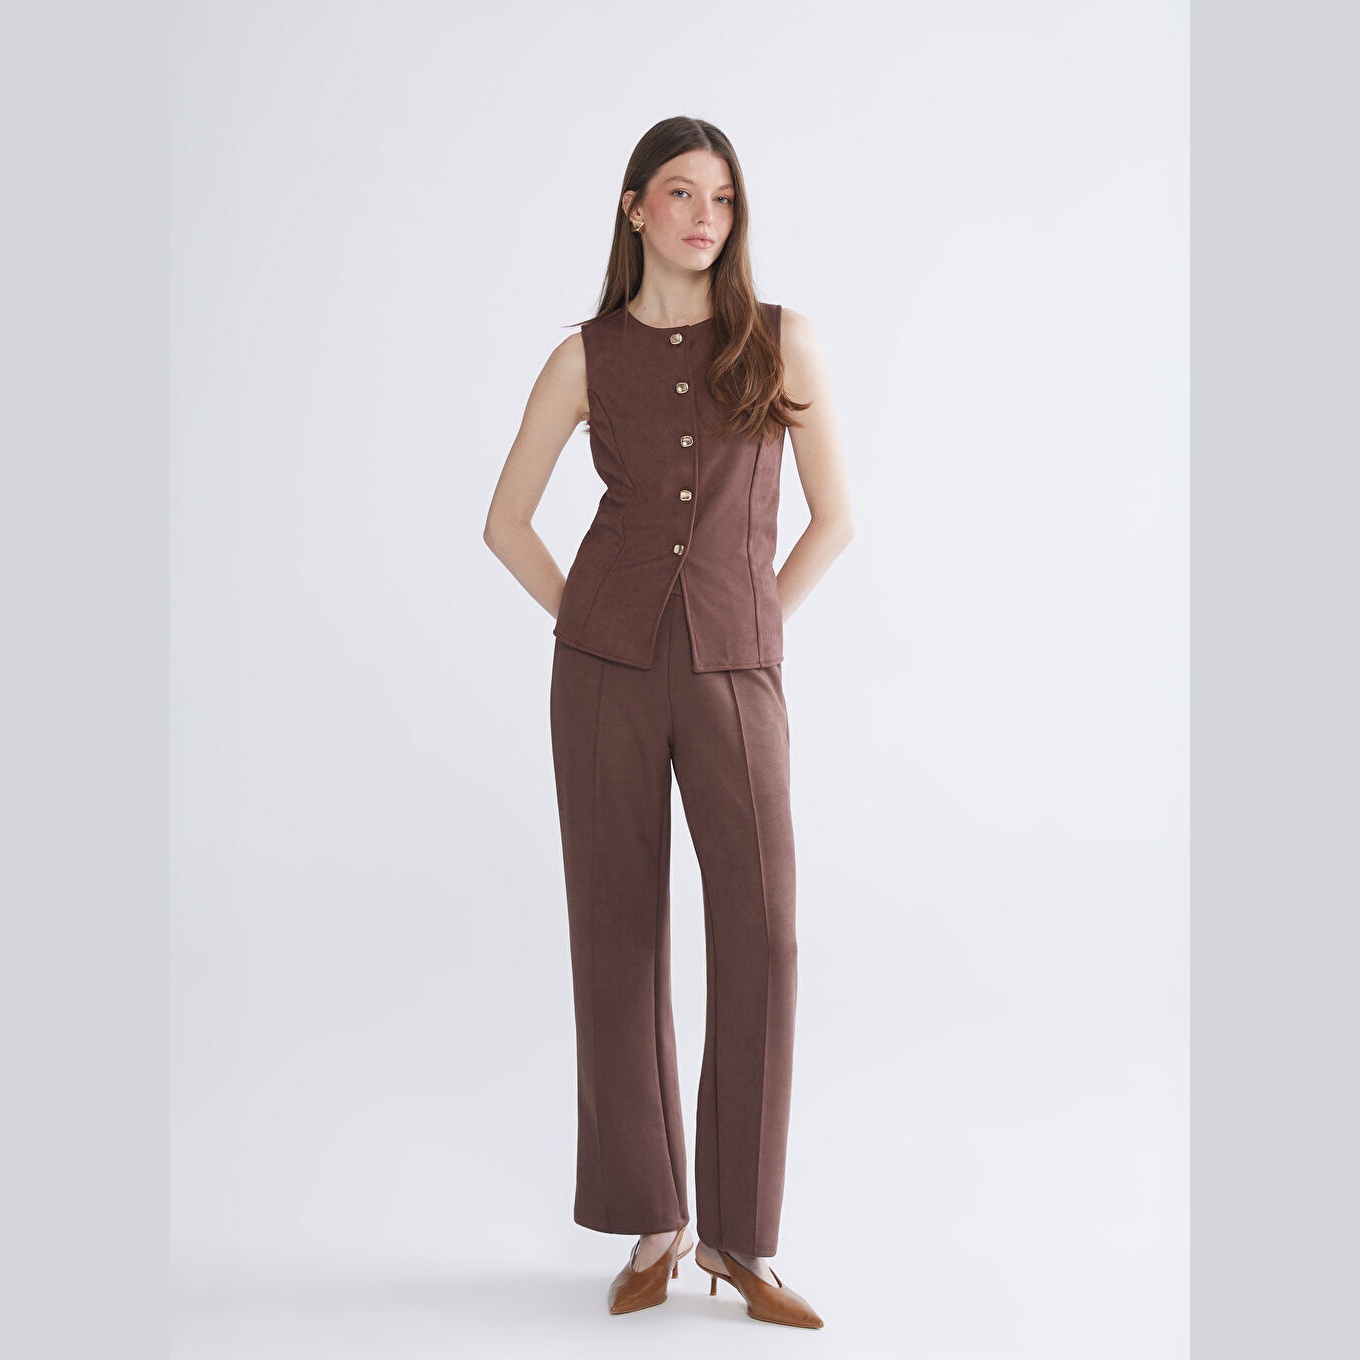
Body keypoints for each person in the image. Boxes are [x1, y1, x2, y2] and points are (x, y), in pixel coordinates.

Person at [483, 115, 853, 1328]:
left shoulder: (779, 339)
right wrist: (592, 620)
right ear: (634, 206)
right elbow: (505, 522)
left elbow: (836, 520)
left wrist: (754, 620)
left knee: (765, 934)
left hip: (735, 673)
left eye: (724, 197)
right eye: (682, 193)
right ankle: (654, 1220)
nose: (706, 215)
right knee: (617, 934)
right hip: (604, 676)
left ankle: (741, 1238)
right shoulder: (583, 358)